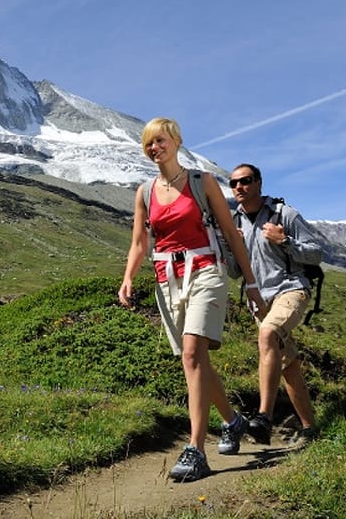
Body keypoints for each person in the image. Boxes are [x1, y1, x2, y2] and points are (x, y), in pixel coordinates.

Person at [118, 118, 266, 482]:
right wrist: (127, 278)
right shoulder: (145, 192)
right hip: (168, 279)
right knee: (196, 359)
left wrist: (250, 283)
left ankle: (196, 450)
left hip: (206, 271)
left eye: (161, 140)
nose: (155, 148)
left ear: (177, 142)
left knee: (190, 354)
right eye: (149, 143)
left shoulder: (203, 183)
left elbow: (231, 233)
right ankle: (233, 421)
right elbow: (140, 243)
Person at [229, 163, 321, 446]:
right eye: (233, 184)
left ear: (258, 183)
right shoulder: (234, 222)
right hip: (259, 299)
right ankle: (310, 428)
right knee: (287, 363)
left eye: (244, 181)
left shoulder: (285, 214)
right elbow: (235, 272)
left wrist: (285, 241)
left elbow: (316, 253)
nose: (238, 188)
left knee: (268, 334)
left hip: (291, 290)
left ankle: (263, 417)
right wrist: (234, 248)